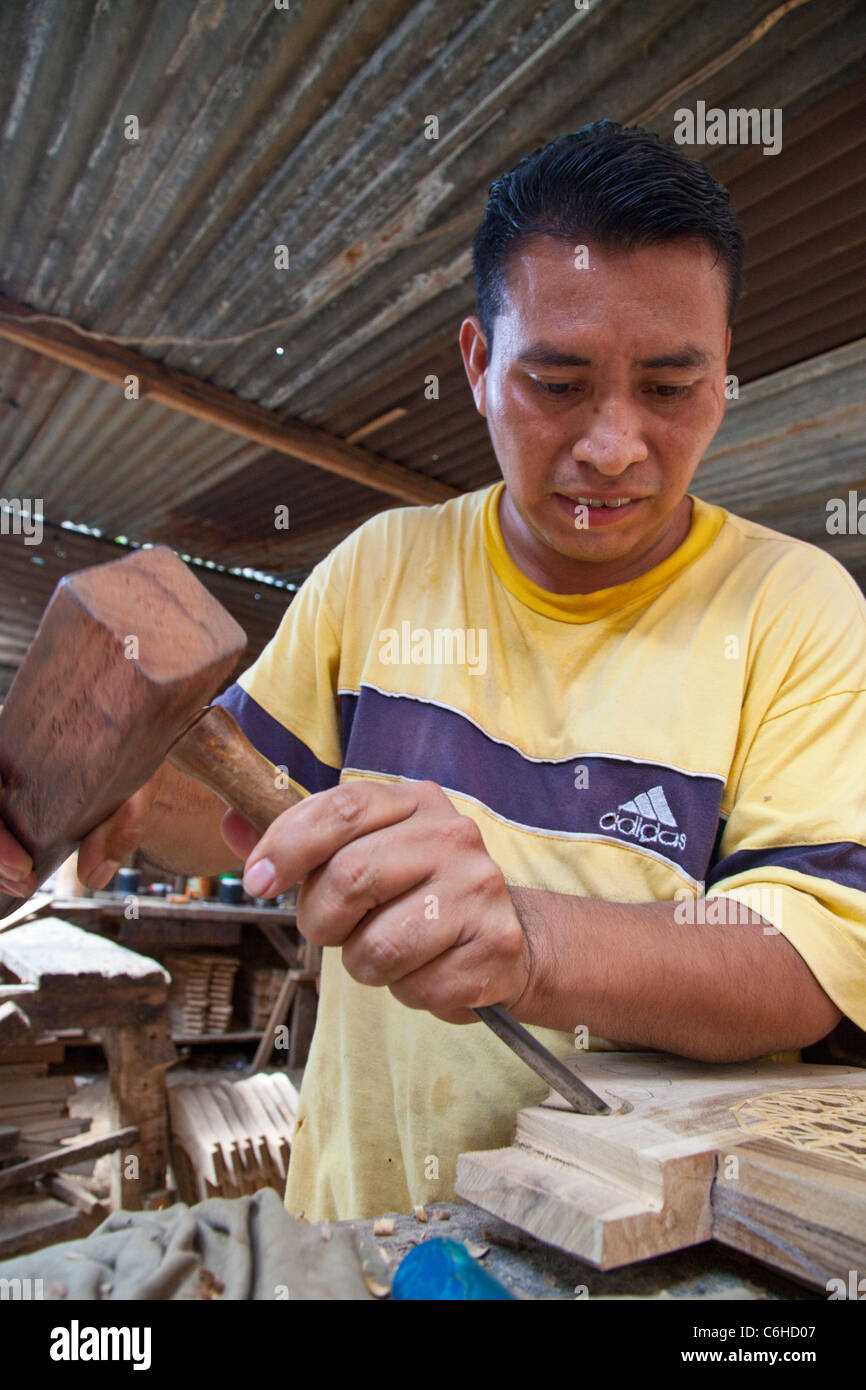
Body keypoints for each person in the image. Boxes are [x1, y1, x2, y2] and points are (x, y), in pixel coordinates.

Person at [2, 122, 864, 1222]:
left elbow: (811, 961)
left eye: (667, 387)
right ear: (475, 363)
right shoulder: (383, 566)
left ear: (721, 372)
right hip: (355, 1223)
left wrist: (529, 936)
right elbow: (221, 819)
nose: (611, 445)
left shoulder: (793, 607)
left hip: (618, 1253)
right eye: (556, 383)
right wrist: (105, 774)